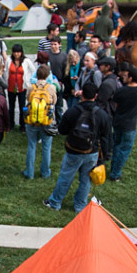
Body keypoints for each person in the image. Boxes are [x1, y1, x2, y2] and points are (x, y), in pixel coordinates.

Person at [44, 82, 111, 214]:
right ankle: (80, 206)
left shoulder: (73, 111)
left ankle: (55, 202)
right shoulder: (102, 115)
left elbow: (62, 130)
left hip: (73, 151)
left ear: (81, 94)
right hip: (91, 152)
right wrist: (105, 156)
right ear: (95, 96)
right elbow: (106, 137)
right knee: (85, 180)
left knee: (65, 177)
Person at [108, 64, 137, 181]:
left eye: (126, 75)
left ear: (130, 78)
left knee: (116, 145)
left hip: (118, 121)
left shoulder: (121, 91)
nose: (124, 77)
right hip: (130, 125)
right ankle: (115, 174)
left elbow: (116, 105)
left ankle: (113, 168)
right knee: (124, 149)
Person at [22, 65, 58, 179]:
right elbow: (55, 101)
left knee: (31, 146)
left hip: (32, 121)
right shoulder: (51, 88)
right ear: (48, 76)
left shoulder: (31, 87)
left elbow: (28, 99)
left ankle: (29, 172)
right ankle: (45, 172)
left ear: (36, 75)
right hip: (47, 121)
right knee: (46, 147)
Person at [6, 44, 35, 131]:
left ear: (21, 52)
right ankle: (11, 124)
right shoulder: (9, 60)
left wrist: (30, 82)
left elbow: (33, 71)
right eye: (15, 52)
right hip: (11, 87)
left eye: (18, 52)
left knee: (22, 107)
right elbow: (5, 71)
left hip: (22, 88)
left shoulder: (26, 61)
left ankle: (22, 124)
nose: (16, 54)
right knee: (11, 107)